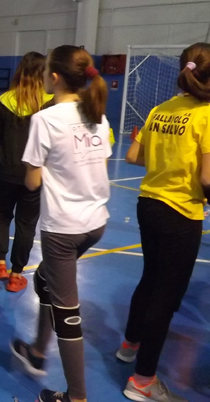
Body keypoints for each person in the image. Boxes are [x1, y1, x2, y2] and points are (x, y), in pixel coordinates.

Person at [10, 45, 111, 402]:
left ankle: (76, 397)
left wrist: (35, 167)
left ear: (53, 77)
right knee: (44, 280)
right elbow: (100, 164)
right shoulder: (97, 115)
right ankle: (38, 351)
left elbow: (32, 182)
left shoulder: (46, 119)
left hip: (63, 230)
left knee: (67, 313)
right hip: (95, 223)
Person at [117, 43, 210, 402]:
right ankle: (142, 381)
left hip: (149, 205)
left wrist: (168, 162)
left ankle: (129, 345)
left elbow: (134, 155)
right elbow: (207, 178)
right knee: (166, 295)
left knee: (150, 278)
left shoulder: (160, 110)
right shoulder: (205, 115)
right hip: (180, 212)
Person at [0, 52, 53, 292]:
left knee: (0, 215)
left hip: (6, 169)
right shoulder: (50, 103)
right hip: (35, 173)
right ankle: (16, 274)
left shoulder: (5, 100)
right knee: (27, 223)